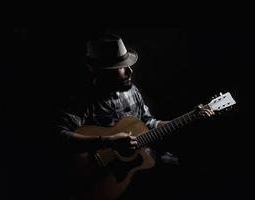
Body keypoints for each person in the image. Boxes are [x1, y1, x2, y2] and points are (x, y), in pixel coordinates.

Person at [54, 33, 214, 199]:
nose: (130, 71)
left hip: (138, 163)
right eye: (122, 67)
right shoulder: (82, 100)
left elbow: (148, 123)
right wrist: (108, 141)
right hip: (101, 177)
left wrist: (192, 116)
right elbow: (59, 138)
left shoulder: (132, 91)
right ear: (102, 72)